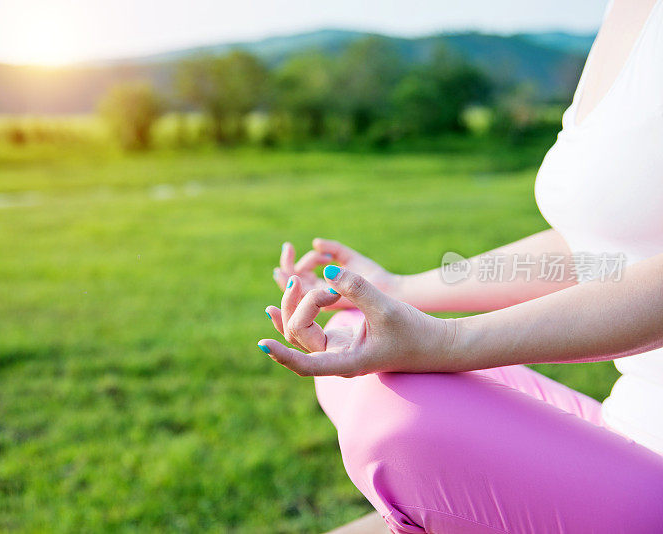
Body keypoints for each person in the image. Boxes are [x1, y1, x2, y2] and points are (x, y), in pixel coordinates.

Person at [258, 0, 663, 532]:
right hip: (632, 431)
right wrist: (400, 289)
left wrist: (445, 344)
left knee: (402, 419)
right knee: (358, 345)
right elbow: (605, 251)